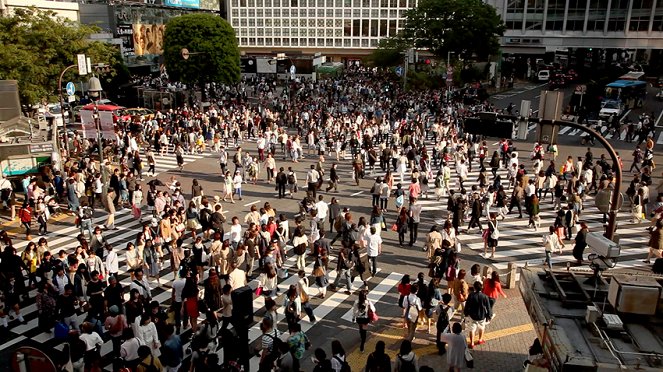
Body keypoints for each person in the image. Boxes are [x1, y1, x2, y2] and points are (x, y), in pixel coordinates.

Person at [464, 281, 493, 348]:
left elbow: (467, 305)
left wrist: (466, 313)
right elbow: (488, 308)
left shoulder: (471, 295)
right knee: (482, 328)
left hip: (472, 315)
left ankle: (471, 343)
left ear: (474, 288)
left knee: (472, 329)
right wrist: (489, 316)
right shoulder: (485, 297)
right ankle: (480, 339)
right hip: (482, 316)